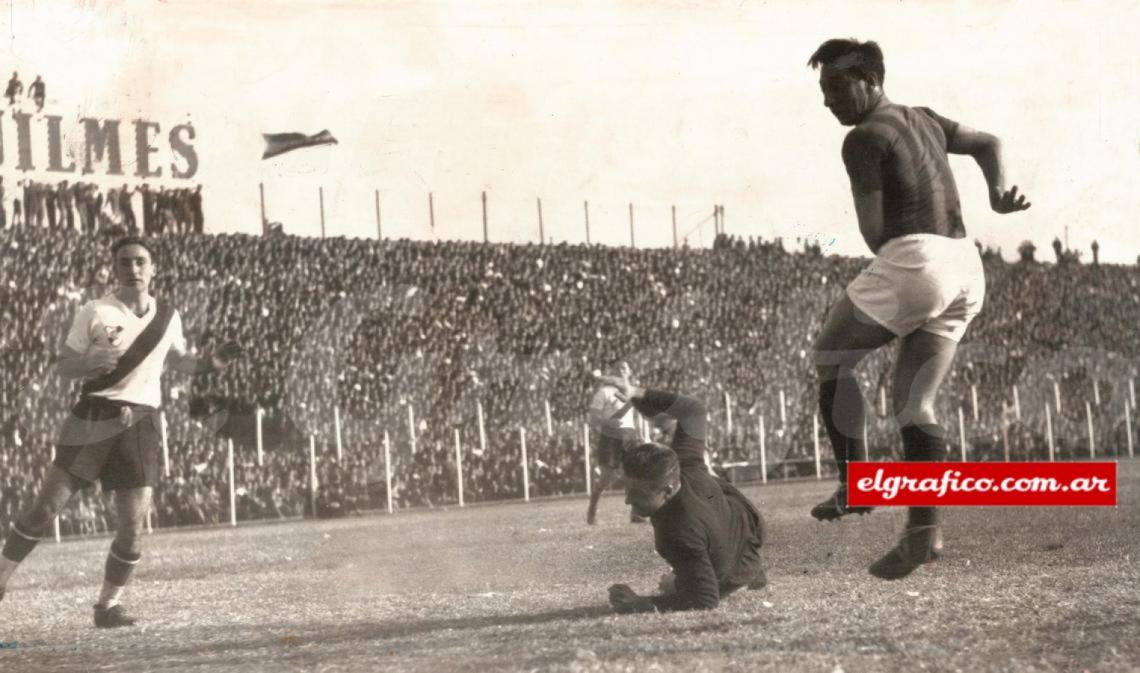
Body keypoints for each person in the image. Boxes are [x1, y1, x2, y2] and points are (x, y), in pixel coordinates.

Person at [805, 39, 1030, 579]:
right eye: (823, 90)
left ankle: (856, 483)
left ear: (870, 80)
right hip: (965, 266)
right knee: (914, 406)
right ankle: (923, 535)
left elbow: (875, 233)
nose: (828, 101)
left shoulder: (863, 138)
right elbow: (989, 142)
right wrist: (997, 193)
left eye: (837, 87)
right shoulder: (924, 118)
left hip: (918, 258)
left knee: (830, 357)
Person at [0, 236, 242, 627]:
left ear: (153, 269)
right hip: (93, 416)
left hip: (142, 423)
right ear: (114, 269)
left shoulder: (168, 316)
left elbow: (178, 360)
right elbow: (63, 366)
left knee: (131, 529)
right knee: (45, 510)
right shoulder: (94, 311)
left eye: (141, 262)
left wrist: (210, 364)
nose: (133, 269)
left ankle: (108, 607)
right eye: (125, 262)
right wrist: (87, 361)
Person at [600, 366, 766, 613]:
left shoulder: (677, 532)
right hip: (746, 530)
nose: (627, 501)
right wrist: (634, 391)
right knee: (681, 575)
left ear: (667, 490)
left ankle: (740, 578)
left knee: (674, 585)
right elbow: (693, 411)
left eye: (638, 494)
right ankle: (749, 571)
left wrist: (642, 603)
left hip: (731, 568)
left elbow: (706, 600)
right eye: (627, 489)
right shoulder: (683, 464)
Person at [585, 381, 643, 525]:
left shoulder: (632, 391)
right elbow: (592, 418)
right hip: (611, 435)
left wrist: (639, 433)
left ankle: (636, 514)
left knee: (634, 474)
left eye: (625, 368)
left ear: (629, 372)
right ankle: (592, 512)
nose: (621, 371)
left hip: (629, 434)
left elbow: (635, 415)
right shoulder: (605, 391)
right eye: (619, 368)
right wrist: (608, 422)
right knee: (606, 476)